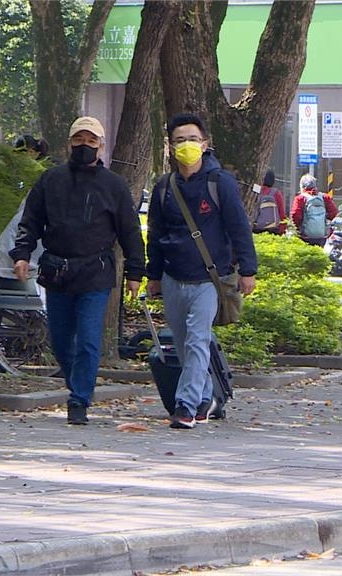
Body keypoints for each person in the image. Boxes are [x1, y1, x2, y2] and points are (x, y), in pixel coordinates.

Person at [10, 116, 145, 425]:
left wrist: (136, 272)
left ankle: (79, 399)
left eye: (91, 140)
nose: (85, 145)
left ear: (101, 145)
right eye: (78, 140)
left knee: (87, 338)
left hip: (95, 273)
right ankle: (77, 383)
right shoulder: (50, 180)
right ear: (69, 143)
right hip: (56, 271)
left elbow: (130, 232)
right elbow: (29, 222)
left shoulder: (114, 185)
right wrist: (22, 255)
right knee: (59, 340)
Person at [146, 113, 258, 430]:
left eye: (192, 139)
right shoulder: (164, 187)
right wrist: (153, 274)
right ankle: (207, 397)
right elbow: (155, 234)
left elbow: (239, 228)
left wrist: (248, 270)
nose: (186, 145)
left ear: (205, 144)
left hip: (210, 279)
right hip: (172, 277)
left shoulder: (219, 182)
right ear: (169, 147)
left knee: (197, 341)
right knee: (185, 345)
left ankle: (185, 405)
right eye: (179, 140)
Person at [290, 174, 337, 246]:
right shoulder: (324, 197)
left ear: (302, 187)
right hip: (321, 235)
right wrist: (323, 218)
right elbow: (334, 212)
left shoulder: (300, 198)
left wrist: (298, 227)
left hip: (304, 236)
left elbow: (295, 215)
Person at [256, 168, 287, 235]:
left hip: (256, 228)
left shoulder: (255, 190)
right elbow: (281, 213)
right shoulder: (276, 193)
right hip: (273, 230)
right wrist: (282, 230)